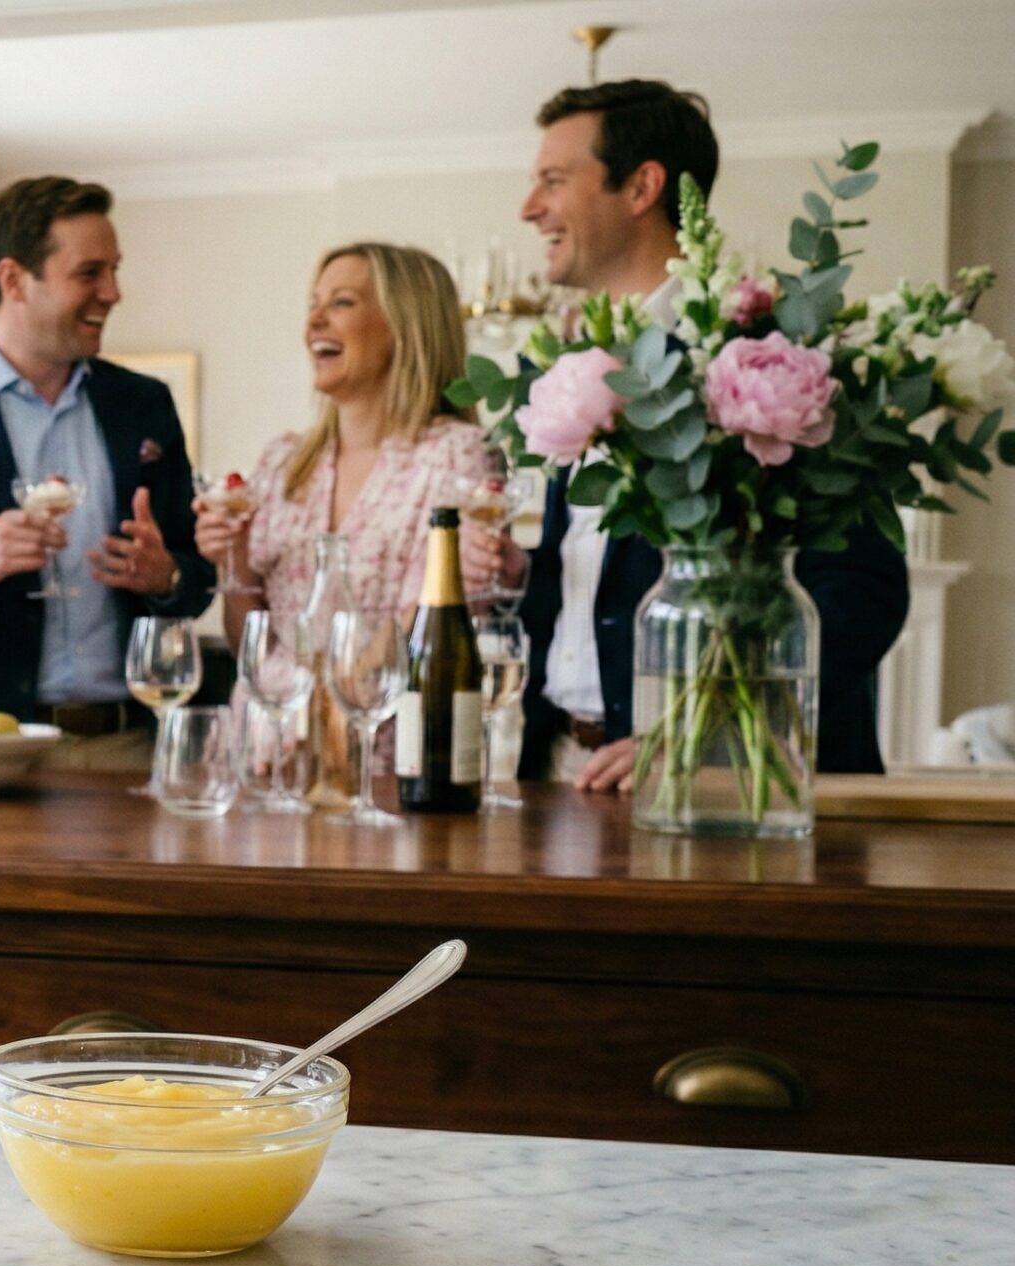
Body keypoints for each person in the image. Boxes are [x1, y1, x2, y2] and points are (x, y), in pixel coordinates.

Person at [479, 80, 908, 787]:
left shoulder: (771, 357)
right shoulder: (564, 369)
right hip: (566, 774)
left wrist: (705, 731)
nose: (530, 209)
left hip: (729, 788)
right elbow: (596, 575)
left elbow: (862, 588)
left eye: (553, 181)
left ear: (643, 185)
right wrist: (524, 574)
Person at [0, 176, 213, 769]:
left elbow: (198, 575)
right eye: (90, 273)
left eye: (114, 270)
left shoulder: (145, 406)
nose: (114, 292)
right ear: (13, 279)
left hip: (130, 749)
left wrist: (166, 574)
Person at [194, 242, 499, 785]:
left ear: (404, 326)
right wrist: (232, 558)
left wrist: (323, 724)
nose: (314, 320)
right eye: (314, 303)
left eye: (341, 303)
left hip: (383, 755)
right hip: (262, 750)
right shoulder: (282, 461)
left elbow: (426, 627)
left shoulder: (455, 456)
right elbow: (251, 644)